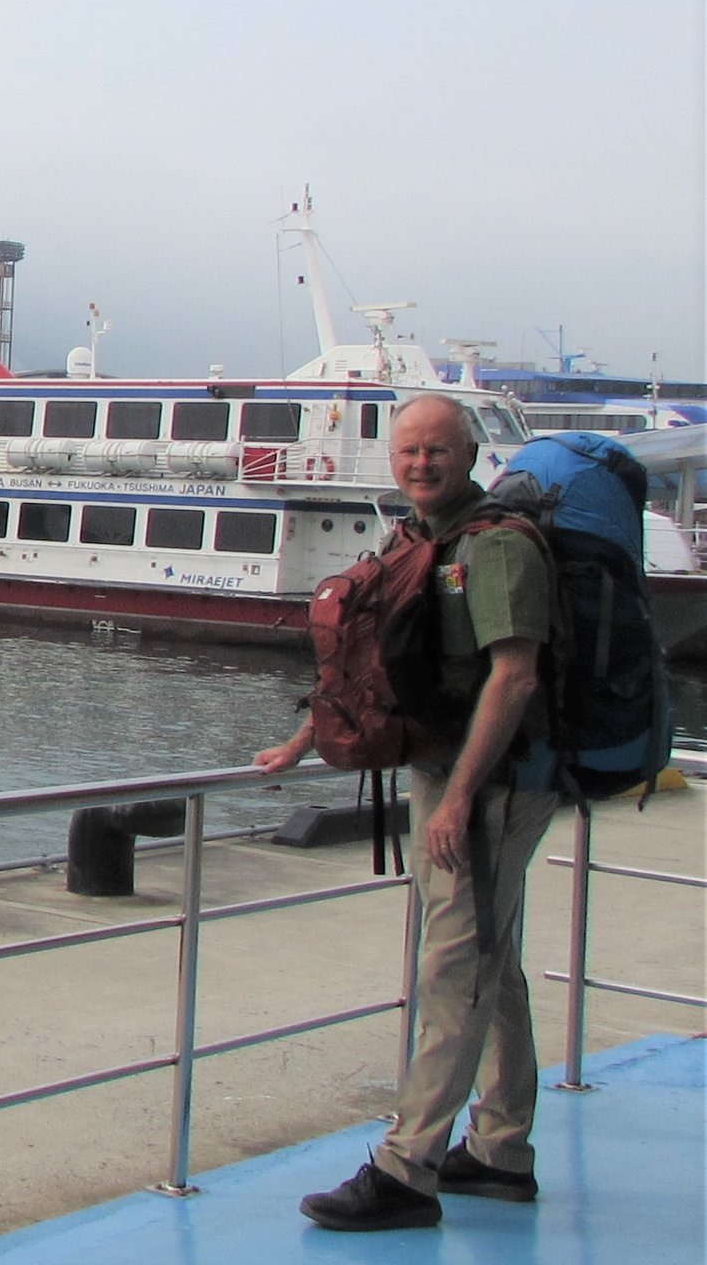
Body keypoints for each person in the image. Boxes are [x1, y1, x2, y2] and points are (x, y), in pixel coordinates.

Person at [252, 392, 556, 1232]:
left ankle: (407, 1169)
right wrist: (300, 741)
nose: (421, 464)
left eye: (437, 451)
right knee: (488, 960)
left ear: (469, 454)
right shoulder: (415, 541)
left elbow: (515, 676)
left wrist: (457, 798)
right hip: (446, 775)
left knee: (454, 969)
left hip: (490, 786)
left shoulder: (495, 549)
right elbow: (370, 657)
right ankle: (500, 1152)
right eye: (408, 452)